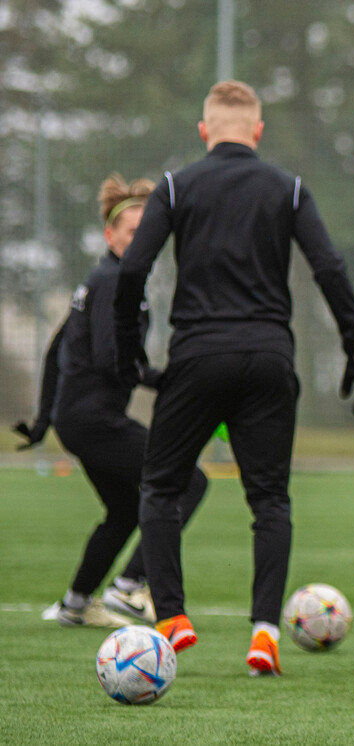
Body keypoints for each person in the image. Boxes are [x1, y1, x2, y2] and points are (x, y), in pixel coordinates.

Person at [113, 80, 354, 676]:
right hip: (267, 359)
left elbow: (133, 271)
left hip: (198, 356)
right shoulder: (289, 187)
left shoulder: (178, 185)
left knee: (160, 488)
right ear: (257, 131)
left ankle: (172, 619)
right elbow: (329, 267)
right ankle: (263, 635)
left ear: (205, 131)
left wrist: (132, 352)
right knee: (270, 499)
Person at [13, 174, 209, 629]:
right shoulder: (117, 280)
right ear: (111, 236)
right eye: (132, 232)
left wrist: (46, 420)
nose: (142, 239)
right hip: (95, 421)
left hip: (78, 420)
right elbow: (111, 358)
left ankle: (76, 604)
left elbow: (55, 351)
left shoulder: (101, 278)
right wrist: (166, 380)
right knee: (189, 482)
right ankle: (128, 588)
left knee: (124, 510)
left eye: (149, 231)